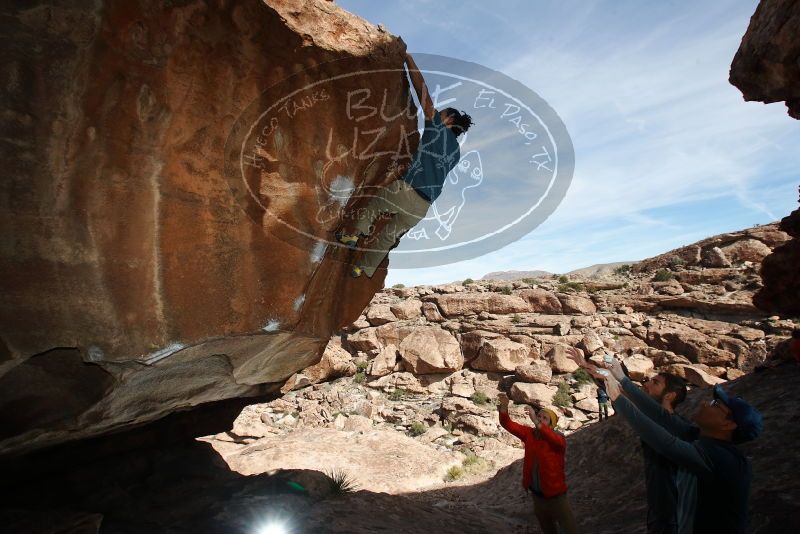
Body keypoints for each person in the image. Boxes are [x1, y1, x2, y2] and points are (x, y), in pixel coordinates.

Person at [336, 52, 473, 278]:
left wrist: (408, 59)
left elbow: (423, 93)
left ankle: (353, 235)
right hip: (422, 208)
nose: (437, 113)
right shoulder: (456, 153)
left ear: (447, 121)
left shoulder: (438, 129)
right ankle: (363, 267)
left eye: (441, 113)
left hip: (407, 191)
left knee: (375, 204)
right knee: (388, 237)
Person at [604, 374, 762, 534]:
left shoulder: (723, 459)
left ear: (728, 424)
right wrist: (621, 378)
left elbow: (666, 443)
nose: (705, 403)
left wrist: (619, 399)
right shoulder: (702, 437)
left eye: (716, 405)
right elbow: (662, 417)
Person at [566, 347, 696, 534]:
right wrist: (586, 365)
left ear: (670, 395)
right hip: (657, 505)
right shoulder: (653, 415)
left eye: (655, 382)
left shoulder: (679, 427)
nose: (647, 383)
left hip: (674, 512)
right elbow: (615, 389)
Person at [497, 393, 580, 534]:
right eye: (539, 416)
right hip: (538, 496)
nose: (540, 419)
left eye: (544, 418)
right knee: (547, 528)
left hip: (556, 496)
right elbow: (508, 425)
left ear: (552, 425)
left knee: (570, 529)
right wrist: (504, 407)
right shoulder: (530, 434)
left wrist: (535, 421)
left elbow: (554, 439)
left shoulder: (558, 438)